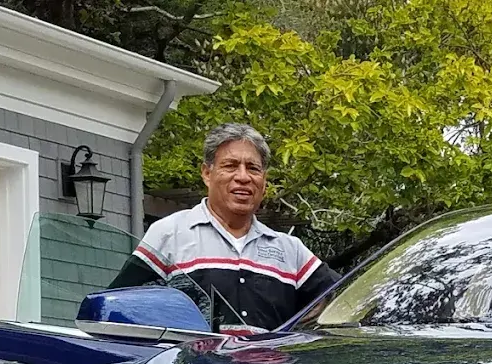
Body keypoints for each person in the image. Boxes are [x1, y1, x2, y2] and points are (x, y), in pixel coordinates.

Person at [109, 122, 340, 334]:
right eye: (230, 166)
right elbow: (119, 308)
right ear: (207, 174)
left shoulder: (291, 250)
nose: (243, 177)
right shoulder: (170, 234)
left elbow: (343, 297)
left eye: (253, 168)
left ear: (264, 180)